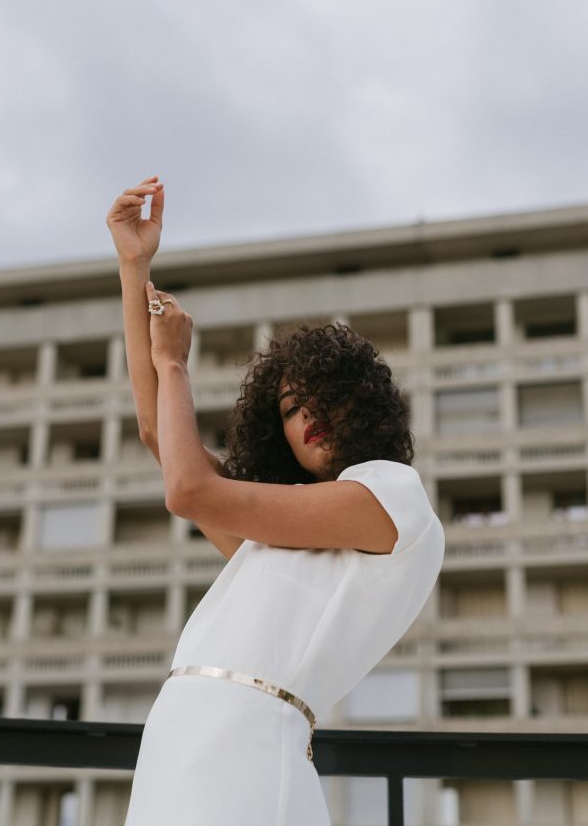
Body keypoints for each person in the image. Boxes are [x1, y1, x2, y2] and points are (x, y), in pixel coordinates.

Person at [106, 176, 445, 826]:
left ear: (362, 397)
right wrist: (134, 268)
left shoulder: (392, 498)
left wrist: (175, 364)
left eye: (321, 392)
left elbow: (187, 488)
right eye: (289, 408)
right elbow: (158, 433)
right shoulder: (278, 544)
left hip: (249, 749)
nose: (306, 413)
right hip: (177, 745)